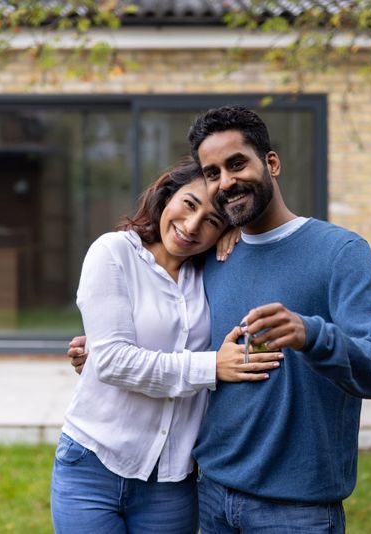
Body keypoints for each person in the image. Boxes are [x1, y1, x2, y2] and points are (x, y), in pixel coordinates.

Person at [68, 106, 371, 533]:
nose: (226, 181)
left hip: (298, 510)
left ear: (273, 163)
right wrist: (98, 347)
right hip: (210, 497)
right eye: (212, 173)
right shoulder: (209, 257)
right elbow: (179, 332)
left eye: (237, 164)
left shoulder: (341, 253)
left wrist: (311, 334)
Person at [51, 157, 283, 534]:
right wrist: (211, 367)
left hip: (171, 479)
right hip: (92, 464)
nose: (192, 227)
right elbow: (111, 362)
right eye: (189, 205)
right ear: (166, 193)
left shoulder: (214, 271)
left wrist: (240, 236)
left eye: (212, 221)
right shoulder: (113, 253)